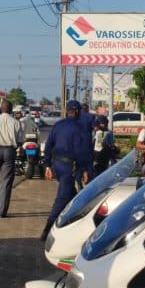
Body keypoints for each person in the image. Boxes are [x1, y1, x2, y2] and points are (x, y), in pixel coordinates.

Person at [40, 100, 90, 241]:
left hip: (58, 166)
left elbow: (48, 146)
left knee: (73, 197)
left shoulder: (58, 125)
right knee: (62, 198)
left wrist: (47, 166)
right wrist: (86, 170)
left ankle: (69, 227)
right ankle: (48, 228)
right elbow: (84, 152)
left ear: (67, 111)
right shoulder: (81, 128)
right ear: (79, 112)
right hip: (71, 168)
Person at [75, 102, 96, 187]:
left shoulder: (76, 117)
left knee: (79, 163)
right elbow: (95, 128)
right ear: (87, 109)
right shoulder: (90, 116)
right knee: (88, 163)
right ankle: (88, 181)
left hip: (76, 144)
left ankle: (78, 179)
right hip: (87, 144)